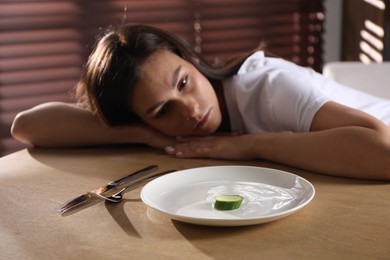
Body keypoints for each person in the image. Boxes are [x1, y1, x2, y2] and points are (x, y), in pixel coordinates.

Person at [11, 24, 390, 180]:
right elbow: (27, 126)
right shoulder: (149, 121)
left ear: (189, 58)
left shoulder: (269, 85)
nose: (189, 110)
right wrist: (143, 133)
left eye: (184, 82)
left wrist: (249, 145)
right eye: (162, 110)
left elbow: (383, 152)